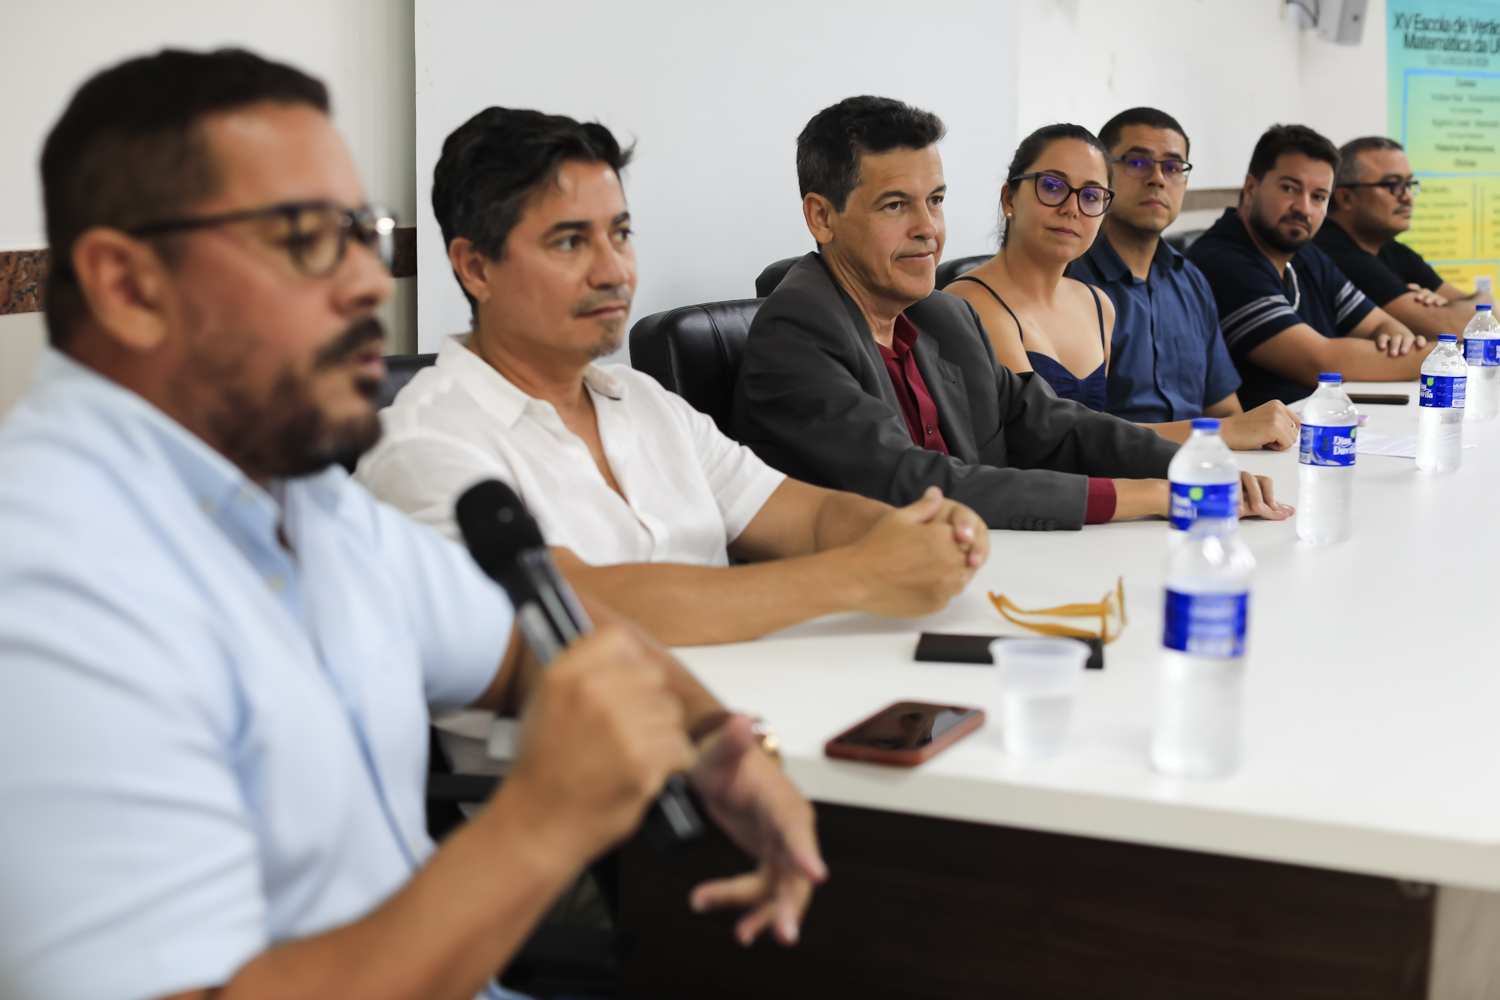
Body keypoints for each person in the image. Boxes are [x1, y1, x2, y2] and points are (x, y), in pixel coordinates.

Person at [0, 49, 823, 1000]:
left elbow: (540, 641)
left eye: (364, 233)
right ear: (128, 286)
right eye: (306, 239)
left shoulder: (305, 500)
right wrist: (541, 823)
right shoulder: (50, 581)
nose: (368, 282)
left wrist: (718, 741)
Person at [355, 107, 987, 649]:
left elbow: (809, 517)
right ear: (475, 268)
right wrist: (860, 575)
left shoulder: (645, 403)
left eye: (620, 234)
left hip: (749, 723)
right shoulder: (424, 444)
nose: (613, 271)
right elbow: (578, 605)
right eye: (570, 242)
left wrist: (912, 532)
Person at [731, 96, 1291, 532]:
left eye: (936, 200)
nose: (929, 229)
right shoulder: (797, 331)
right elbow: (912, 482)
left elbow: (1055, 425)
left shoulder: (944, 317)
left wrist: (1190, 466)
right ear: (821, 217)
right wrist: (1149, 495)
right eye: (896, 205)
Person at [1069, 107, 1299, 450]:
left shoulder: (1191, 281)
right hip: (1117, 473)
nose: (1158, 179)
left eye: (1173, 167)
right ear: (1102, 176)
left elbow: (1226, 411)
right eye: (1137, 162)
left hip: (1204, 464)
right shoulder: (1069, 282)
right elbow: (1074, 435)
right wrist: (1223, 433)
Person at [1186, 124, 1429, 409]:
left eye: (1319, 197)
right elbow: (1321, 363)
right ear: (1251, 189)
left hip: (1317, 420)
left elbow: (1383, 324)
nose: (1304, 208)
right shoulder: (1221, 262)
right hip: (1267, 434)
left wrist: (1396, 342)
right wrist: (1445, 354)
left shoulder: (1306, 254)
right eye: (1289, 188)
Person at [943, 123, 1115, 411]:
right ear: (1009, 199)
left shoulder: (1098, 305)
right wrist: (1197, 430)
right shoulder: (967, 303)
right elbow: (1044, 426)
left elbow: (1099, 427)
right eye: (1052, 186)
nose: (1072, 208)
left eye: (1090, 196)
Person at [1316, 136, 1495, 339]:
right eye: (1393, 184)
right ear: (1346, 198)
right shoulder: (1331, 251)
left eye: (1409, 184)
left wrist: (1467, 303)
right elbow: (1452, 328)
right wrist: (1482, 300)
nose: (1407, 196)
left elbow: (1488, 319)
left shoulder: (1391, 249)